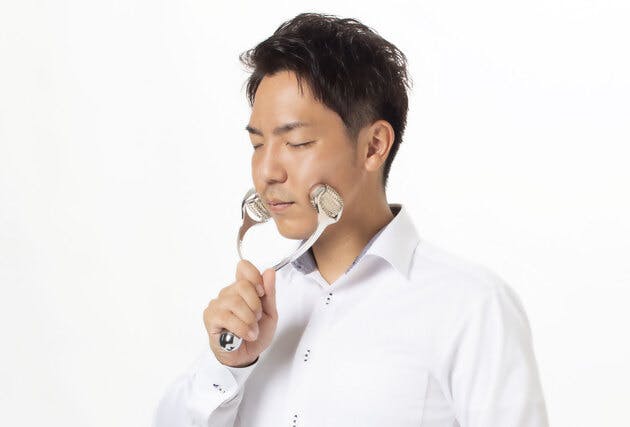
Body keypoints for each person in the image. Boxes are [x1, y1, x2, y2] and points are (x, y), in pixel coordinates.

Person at [153, 12, 549, 427]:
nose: (267, 171)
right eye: (257, 145)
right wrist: (227, 365)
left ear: (374, 146)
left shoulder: (471, 306)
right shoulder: (258, 308)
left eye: (296, 142)